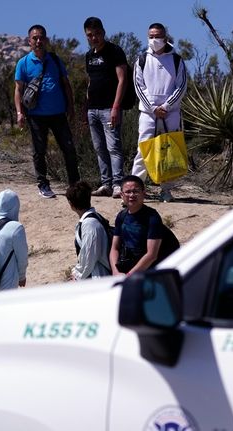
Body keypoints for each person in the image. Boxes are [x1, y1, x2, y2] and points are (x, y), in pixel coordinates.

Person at [14, 24, 81, 199]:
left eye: (41, 37)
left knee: (69, 149)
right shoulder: (24, 63)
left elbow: (66, 85)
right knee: (39, 151)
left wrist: (71, 107)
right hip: (36, 115)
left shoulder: (55, 60)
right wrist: (19, 113)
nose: (38, 41)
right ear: (29, 41)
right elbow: (18, 90)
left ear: (46, 40)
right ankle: (43, 184)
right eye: (35, 38)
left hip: (58, 114)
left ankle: (74, 184)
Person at [131, 22, 188, 202]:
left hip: (170, 113)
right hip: (148, 113)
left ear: (165, 37)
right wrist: (153, 108)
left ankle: (166, 190)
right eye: (151, 36)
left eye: (157, 36)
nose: (154, 40)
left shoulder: (177, 60)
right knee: (143, 150)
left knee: (168, 151)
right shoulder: (141, 60)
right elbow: (138, 86)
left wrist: (167, 106)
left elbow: (181, 86)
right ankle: (134, 190)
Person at [83, 17, 128, 199]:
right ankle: (106, 183)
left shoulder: (114, 51)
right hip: (92, 109)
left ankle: (118, 184)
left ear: (103, 32)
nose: (94, 38)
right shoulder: (89, 55)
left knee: (113, 147)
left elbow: (122, 80)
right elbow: (89, 81)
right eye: (90, 35)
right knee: (99, 147)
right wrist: (87, 105)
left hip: (110, 108)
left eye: (97, 34)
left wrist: (116, 106)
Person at [110, 175, 166, 275]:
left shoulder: (152, 217)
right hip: (126, 269)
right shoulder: (121, 216)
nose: (132, 195)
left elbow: (152, 255)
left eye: (136, 191)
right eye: (127, 192)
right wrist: (115, 271)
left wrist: (129, 277)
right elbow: (115, 248)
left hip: (147, 274)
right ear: (121, 195)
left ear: (143, 193)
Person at [66, 181, 112, 279]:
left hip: (98, 276)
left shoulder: (89, 224)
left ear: (71, 204)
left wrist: (77, 276)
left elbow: (89, 257)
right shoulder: (96, 218)